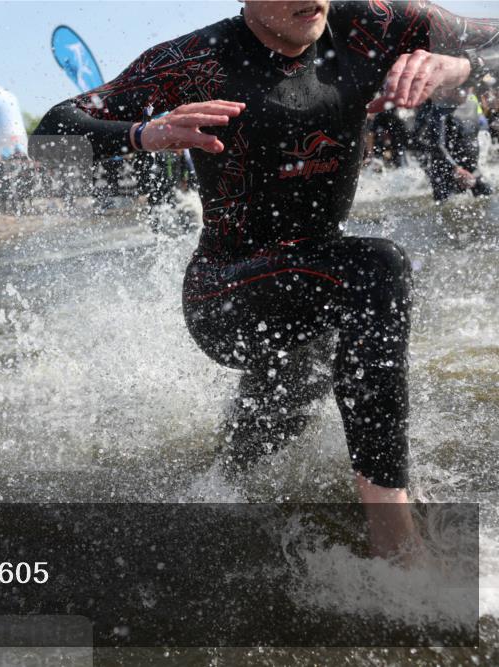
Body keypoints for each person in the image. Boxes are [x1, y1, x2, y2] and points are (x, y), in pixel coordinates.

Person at [32, 0, 499, 558]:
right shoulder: (195, 60)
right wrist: (141, 135)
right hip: (226, 296)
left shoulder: (375, 20)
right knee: (379, 266)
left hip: (318, 285)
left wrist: (462, 69)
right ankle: (394, 540)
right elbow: (51, 135)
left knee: (248, 459)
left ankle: (207, 500)